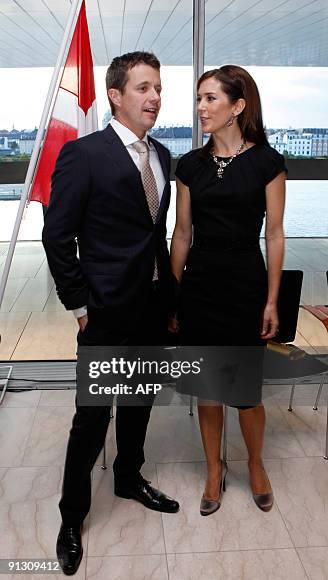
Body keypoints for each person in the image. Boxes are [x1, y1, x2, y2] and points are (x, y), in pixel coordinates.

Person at [42, 51, 179, 576]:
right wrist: (80, 306)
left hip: (150, 308)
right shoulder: (85, 154)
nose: (155, 97)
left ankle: (128, 478)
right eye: (144, 88)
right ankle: (71, 516)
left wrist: (169, 300)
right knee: (92, 419)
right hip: (102, 313)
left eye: (159, 88)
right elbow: (58, 235)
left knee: (140, 402)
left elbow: (155, 236)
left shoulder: (162, 156)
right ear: (116, 96)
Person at [170, 65, 286, 516]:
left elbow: (275, 234)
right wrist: (174, 295)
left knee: (247, 391)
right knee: (208, 388)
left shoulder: (267, 162)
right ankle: (213, 470)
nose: (201, 107)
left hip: (246, 286)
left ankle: (256, 464)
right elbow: (181, 233)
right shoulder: (190, 166)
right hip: (199, 286)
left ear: (237, 107)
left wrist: (272, 299)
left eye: (210, 99)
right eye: (198, 98)